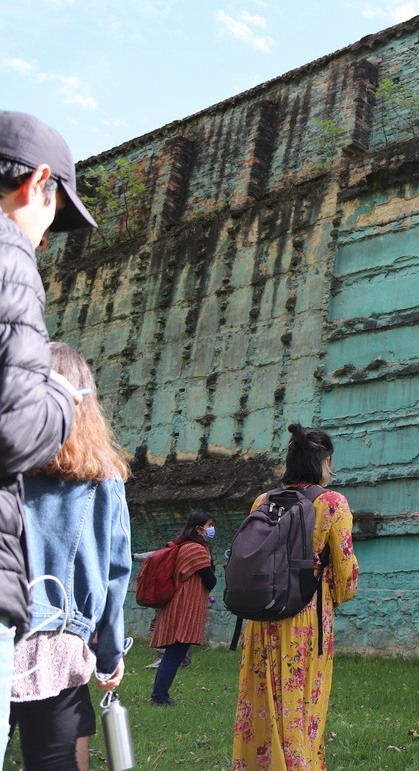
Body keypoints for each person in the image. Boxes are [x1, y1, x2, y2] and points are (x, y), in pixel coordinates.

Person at [0, 111, 95, 758]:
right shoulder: (9, 254)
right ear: (38, 182)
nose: (44, 238)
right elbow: (15, 426)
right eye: (53, 214)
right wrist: (64, 398)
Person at [9, 343, 130, 770]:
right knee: (56, 762)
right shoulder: (103, 476)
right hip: (55, 644)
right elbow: (115, 573)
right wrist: (110, 656)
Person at [233, 423, 359, 770]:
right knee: (302, 697)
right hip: (307, 614)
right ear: (325, 461)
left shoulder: (263, 500)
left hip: (262, 611)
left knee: (261, 697)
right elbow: (347, 570)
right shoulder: (332, 503)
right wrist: (335, 592)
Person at [148, 511, 217, 705]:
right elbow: (210, 580)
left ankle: (159, 695)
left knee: (174, 652)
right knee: (175, 653)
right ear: (198, 528)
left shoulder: (183, 546)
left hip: (176, 604)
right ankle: (159, 697)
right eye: (209, 525)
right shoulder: (196, 549)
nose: (211, 529)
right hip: (184, 606)